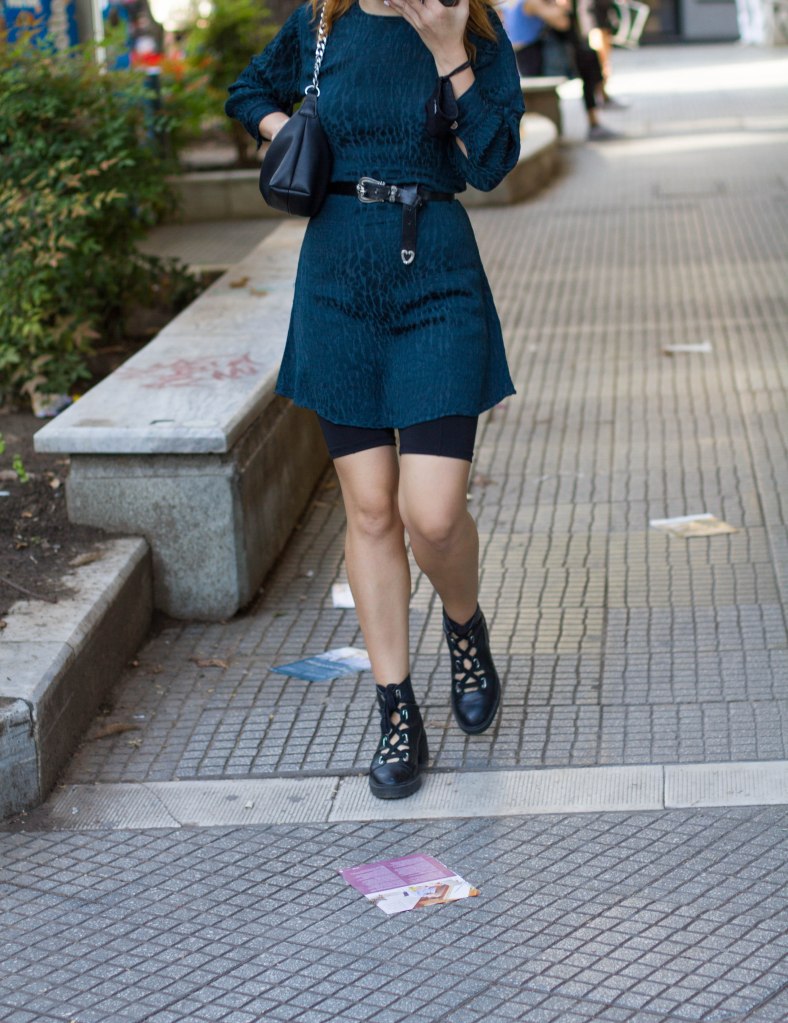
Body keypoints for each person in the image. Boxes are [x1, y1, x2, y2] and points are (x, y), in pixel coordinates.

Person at [226, 0, 524, 799]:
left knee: (434, 514)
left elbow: (493, 161)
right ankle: (397, 708)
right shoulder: (323, 20)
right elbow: (248, 90)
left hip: (438, 282)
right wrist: (287, 132)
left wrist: (448, 50)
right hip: (338, 285)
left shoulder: (474, 25)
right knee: (368, 509)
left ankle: (464, 625)